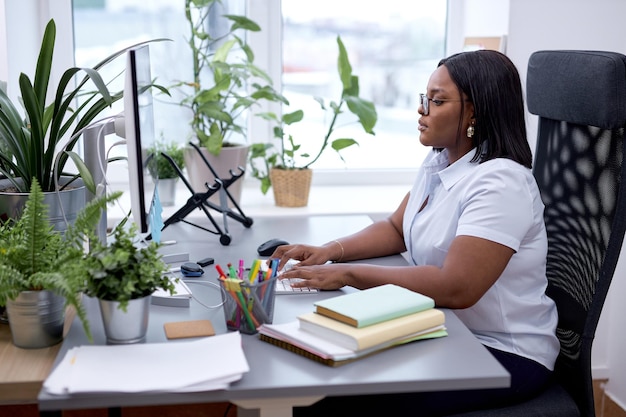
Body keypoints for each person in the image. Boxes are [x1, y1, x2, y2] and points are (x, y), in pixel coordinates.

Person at [270, 49, 560, 416]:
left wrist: (347, 275)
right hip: (442, 327)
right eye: (425, 99)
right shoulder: (441, 160)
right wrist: (330, 251)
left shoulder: (500, 183)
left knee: (336, 397)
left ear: (474, 112)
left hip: (502, 351)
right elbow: (396, 228)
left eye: (436, 101)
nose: (422, 111)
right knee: (320, 371)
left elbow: (457, 286)